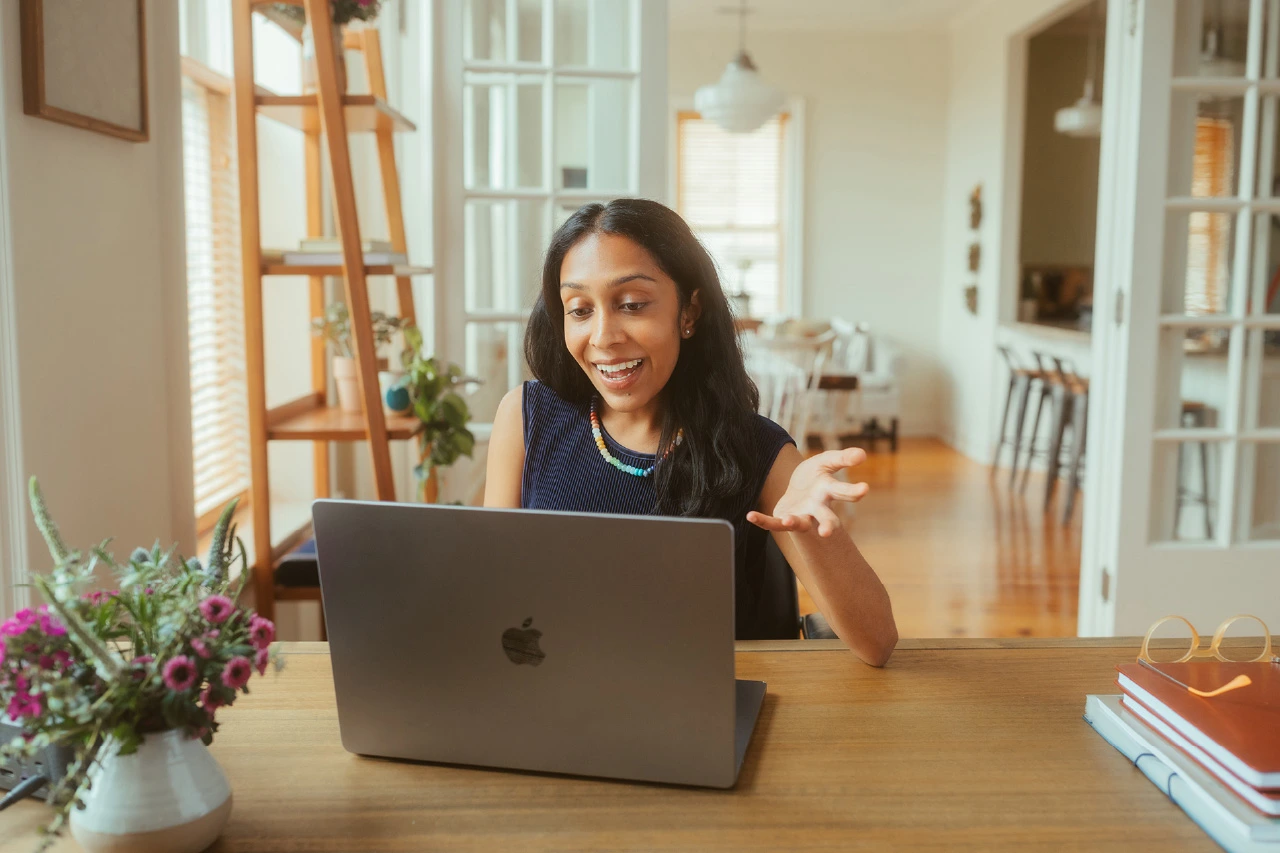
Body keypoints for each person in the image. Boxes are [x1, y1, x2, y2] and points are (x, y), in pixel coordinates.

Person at [484, 199, 897, 666]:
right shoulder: (525, 418)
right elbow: (492, 598)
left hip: (706, 711)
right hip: (555, 700)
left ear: (690, 312)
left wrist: (817, 535)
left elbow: (877, 643)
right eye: (579, 310)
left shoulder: (757, 448)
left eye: (632, 304)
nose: (603, 336)